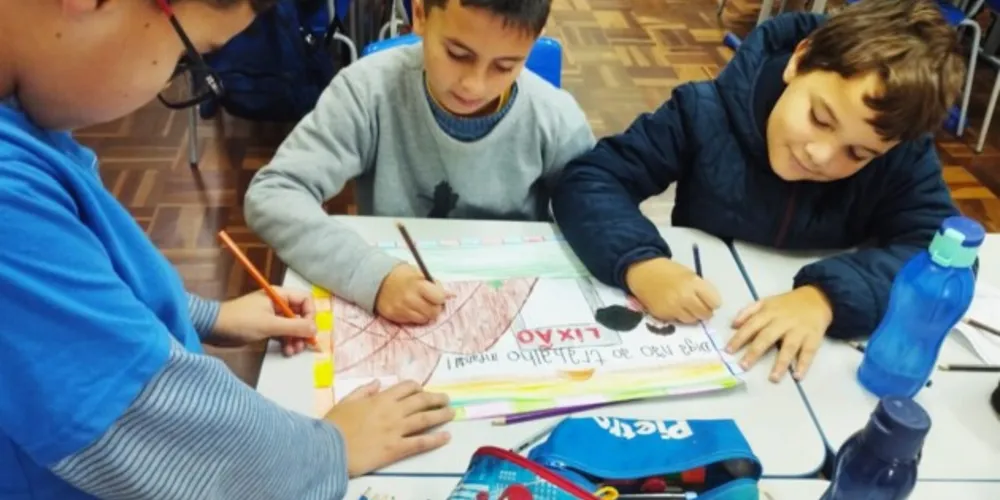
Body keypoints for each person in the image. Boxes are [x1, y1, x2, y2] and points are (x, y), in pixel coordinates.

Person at [0, 1, 454, 499]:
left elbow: (83, 280)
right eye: (188, 61)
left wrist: (207, 316)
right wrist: (333, 449)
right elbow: (144, 419)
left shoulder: (24, 124)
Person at [550, 0, 965, 383]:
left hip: (816, 364)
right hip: (708, 327)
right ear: (799, 60)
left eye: (857, 153)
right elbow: (592, 179)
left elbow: (942, 254)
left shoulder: (900, 157)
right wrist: (640, 263)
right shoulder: (702, 112)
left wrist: (828, 297)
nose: (821, 155)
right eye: (820, 118)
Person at [243, 0, 596, 326]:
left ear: (534, 41)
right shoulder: (367, 90)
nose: (473, 85)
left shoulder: (555, 117)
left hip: (512, 310)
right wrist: (372, 276)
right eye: (457, 54)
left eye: (505, 66)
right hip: (396, 296)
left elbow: (598, 213)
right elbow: (274, 194)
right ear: (420, 15)